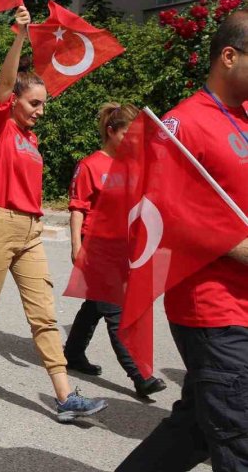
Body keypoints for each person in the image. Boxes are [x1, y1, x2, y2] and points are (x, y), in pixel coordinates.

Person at [0, 6, 108, 422]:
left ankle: (64, 395)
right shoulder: (0, 125)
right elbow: (4, 82)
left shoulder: (31, 137)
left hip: (32, 230)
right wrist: (19, 36)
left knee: (43, 313)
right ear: (14, 101)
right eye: (34, 102)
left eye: (43, 103)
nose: (41, 109)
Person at [117, 11, 248, 471]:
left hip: (242, 307)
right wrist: (238, 247)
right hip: (214, 308)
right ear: (228, 57)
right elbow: (164, 211)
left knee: (195, 429)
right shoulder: (184, 124)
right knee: (239, 440)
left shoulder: (244, 119)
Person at [63, 103, 167, 398]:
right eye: (128, 134)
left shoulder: (134, 165)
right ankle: (140, 374)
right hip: (98, 249)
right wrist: (76, 247)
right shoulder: (90, 165)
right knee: (117, 312)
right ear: (111, 131)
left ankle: (72, 352)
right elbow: (77, 210)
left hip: (125, 249)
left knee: (96, 305)